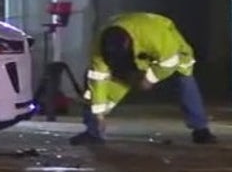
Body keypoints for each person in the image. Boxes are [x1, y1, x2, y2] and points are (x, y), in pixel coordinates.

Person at [71, 12, 216, 146]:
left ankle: (201, 130)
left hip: (171, 56)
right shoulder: (100, 45)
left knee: (185, 82)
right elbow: (98, 80)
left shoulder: (155, 35)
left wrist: (150, 78)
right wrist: (99, 115)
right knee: (95, 90)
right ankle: (93, 132)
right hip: (133, 56)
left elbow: (170, 62)